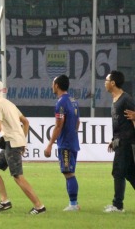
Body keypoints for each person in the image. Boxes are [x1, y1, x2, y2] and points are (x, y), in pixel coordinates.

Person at [0, 79, 46, 215]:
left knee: (18, 176)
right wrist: (23, 141)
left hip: (12, 144)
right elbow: (25, 122)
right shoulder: (8, 103)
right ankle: (4, 201)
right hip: (13, 142)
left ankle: (39, 206)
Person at [44, 75, 80, 211]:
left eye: (52, 83)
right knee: (69, 172)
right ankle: (73, 203)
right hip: (73, 142)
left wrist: (49, 144)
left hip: (65, 144)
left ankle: (73, 204)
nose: (51, 86)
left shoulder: (60, 103)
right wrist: (73, 135)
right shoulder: (73, 100)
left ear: (57, 85)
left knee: (68, 173)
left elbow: (59, 126)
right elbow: (78, 122)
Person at [103, 70, 135, 213]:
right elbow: (120, 123)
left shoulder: (126, 99)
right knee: (129, 173)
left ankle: (117, 205)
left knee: (118, 172)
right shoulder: (116, 99)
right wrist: (113, 140)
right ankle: (117, 204)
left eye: (106, 80)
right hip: (120, 142)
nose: (105, 82)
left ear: (113, 83)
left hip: (127, 143)